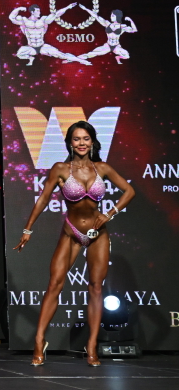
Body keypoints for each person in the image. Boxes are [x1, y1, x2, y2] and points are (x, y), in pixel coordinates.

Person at [14, 120, 134, 366]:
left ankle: (92, 346)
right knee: (55, 284)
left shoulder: (102, 168)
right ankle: (39, 340)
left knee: (96, 288)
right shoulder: (60, 169)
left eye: (86, 138)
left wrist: (109, 214)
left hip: (98, 234)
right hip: (71, 233)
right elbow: (43, 199)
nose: (81, 143)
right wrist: (28, 229)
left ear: (92, 142)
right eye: (77, 139)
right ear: (70, 142)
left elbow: (129, 191)